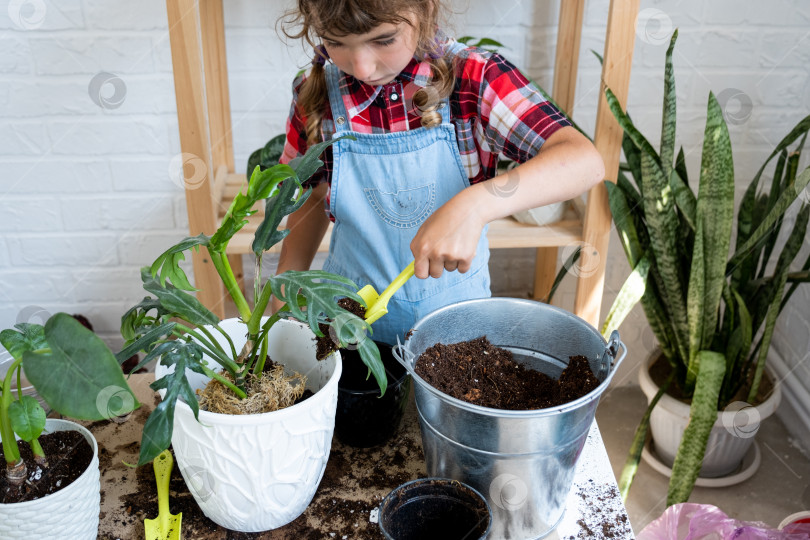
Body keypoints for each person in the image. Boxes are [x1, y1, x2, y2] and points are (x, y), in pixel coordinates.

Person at [275, 0, 605, 346]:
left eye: (384, 40)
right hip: (349, 324)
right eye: (336, 42)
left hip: (457, 331)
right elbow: (312, 195)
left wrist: (475, 205)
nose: (362, 67)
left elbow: (584, 161)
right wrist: (283, 292)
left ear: (425, 10)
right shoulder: (315, 92)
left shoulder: (474, 79)